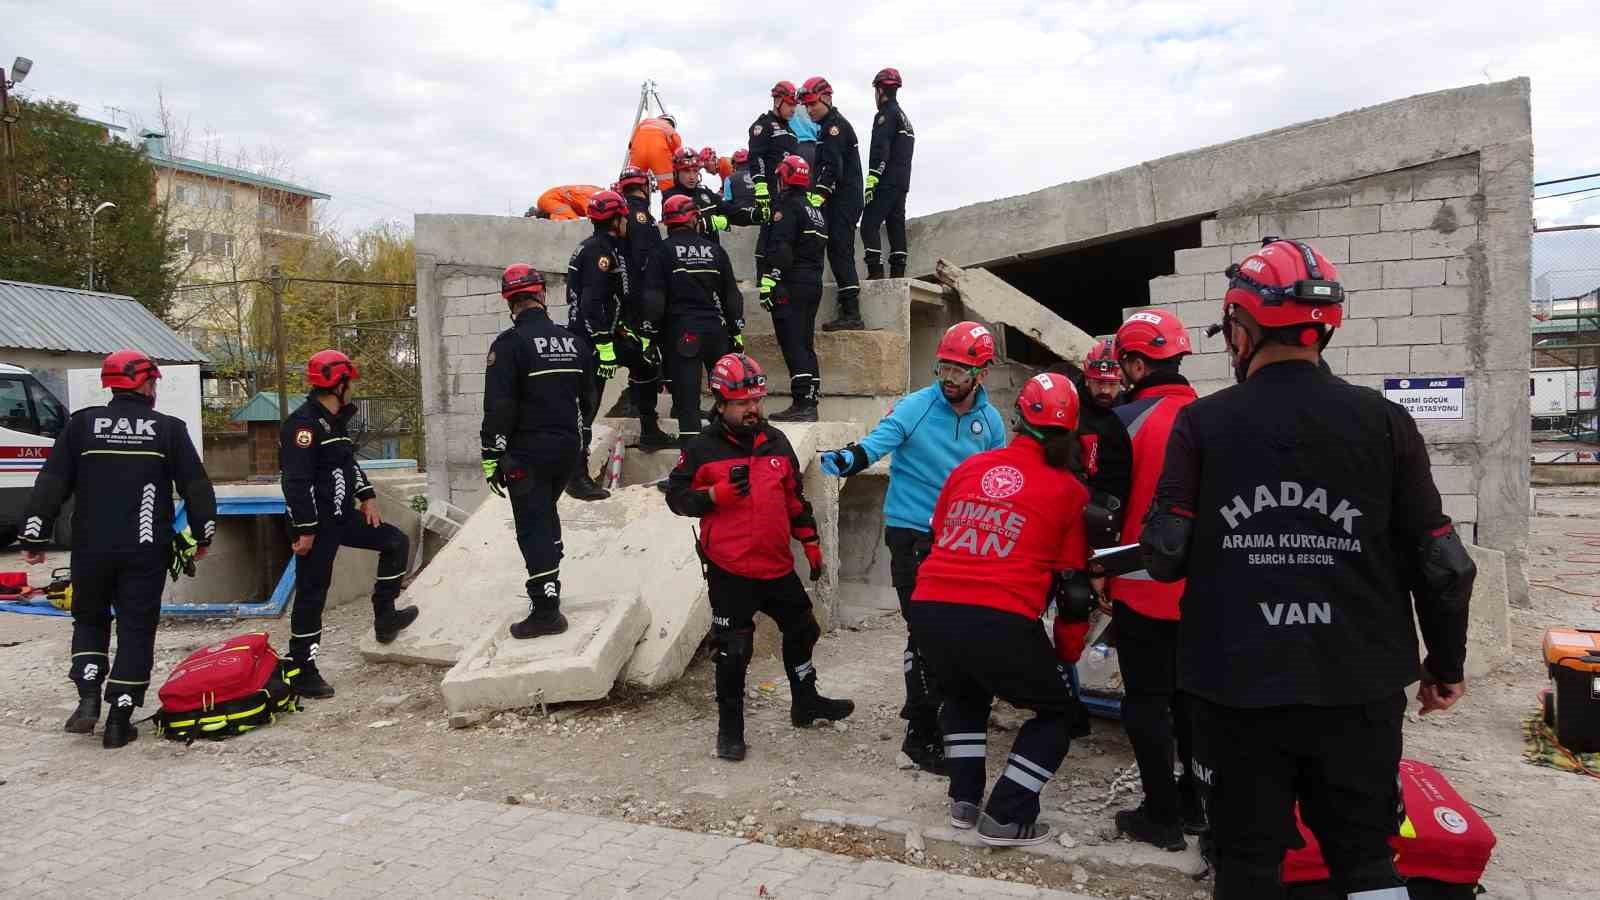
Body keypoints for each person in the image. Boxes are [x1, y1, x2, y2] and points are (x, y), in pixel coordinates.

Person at [1142, 238, 1475, 899]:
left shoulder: (1202, 425)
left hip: (1235, 687)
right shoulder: (1387, 423)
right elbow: (1443, 565)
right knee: (1367, 860)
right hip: (1358, 684)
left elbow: (1164, 556)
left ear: (1242, 327)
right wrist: (1445, 665)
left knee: (1245, 864)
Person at [909, 372, 1095, 847]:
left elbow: (939, 536)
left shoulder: (969, 469)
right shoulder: (1069, 490)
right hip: (1000, 616)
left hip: (930, 608)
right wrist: (1067, 653)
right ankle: (1007, 815)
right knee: (1059, 714)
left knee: (965, 695)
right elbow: (1073, 590)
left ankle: (964, 802)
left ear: (1016, 419)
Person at [817, 322, 1007, 773]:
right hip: (913, 537)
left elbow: (996, 477)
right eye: (944, 366)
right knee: (927, 635)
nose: (948, 378)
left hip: (962, 538)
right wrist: (845, 460)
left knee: (946, 634)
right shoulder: (917, 407)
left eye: (960, 371)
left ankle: (931, 705)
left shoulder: (991, 421)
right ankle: (921, 737)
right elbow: (876, 444)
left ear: (980, 374)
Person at [19, 350, 217, 748]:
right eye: (154, 382)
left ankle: (89, 699)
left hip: (91, 547)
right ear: (144, 384)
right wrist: (203, 535)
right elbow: (195, 488)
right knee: (136, 629)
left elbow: (52, 481)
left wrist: (34, 536)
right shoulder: (168, 429)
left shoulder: (82, 426)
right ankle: (118, 721)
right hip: (145, 549)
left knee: (90, 620)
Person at [665, 352, 855, 761]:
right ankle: (729, 732)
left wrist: (810, 541)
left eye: (757, 400)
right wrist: (714, 496)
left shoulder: (776, 441)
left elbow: (793, 498)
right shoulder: (701, 449)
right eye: (742, 402)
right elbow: (676, 499)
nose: (753, 409)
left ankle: (805, 703)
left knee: (803, 629)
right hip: (729, 569)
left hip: (775, 565)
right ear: (721, 404)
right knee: (734, 650)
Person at [1103, 308, 1203, 850]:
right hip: (1202, 590)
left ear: (1138, 364)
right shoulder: (1211, 416)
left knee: (1145, 700)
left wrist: (1096, 573)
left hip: (1142, 585)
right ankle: (1197, 801)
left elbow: (1107, 514)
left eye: (1125, 364)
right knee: (1191, 699)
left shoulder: (1123, 422)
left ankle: (1161, 815)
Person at [280, 350, 419, 699]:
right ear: (338, 385)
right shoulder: (304, 425)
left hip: (342, 517)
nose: (353, 389)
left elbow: (348, 464)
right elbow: (295, 482)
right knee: (313, 593)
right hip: (316, 524)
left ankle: (385, 617)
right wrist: (306, 529)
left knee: (395, 542)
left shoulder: (334, 422)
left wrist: (367, 496)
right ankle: (301, 669)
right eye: (350, 383)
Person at [482, 264, 588, 639]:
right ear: (541, 295)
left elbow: (499, 406)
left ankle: (546, 611)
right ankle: (551, 586)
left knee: (532, 525)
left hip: (528, 452)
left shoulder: (508, 345)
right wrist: (581, 441)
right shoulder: (572, 341)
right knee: (546, 516)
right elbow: (588, 397)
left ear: (510, 301)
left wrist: (490, 454)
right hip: (567, 449)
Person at [566, 189, 671, 495]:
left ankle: (650, 428)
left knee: (646, 363)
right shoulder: (599, 252)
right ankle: (576, 476)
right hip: (590, 342)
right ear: (614, 220)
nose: (627, 221)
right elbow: (590, 303)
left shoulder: (609, 247)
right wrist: (604, 346)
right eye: (623, 217)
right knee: (587, 406)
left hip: (610, 334)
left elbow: (612, 300)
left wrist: (625, 331)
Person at [645, 194, 745, 444]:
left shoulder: (662, 251)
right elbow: (732, 295)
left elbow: (654, 298)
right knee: (727, 394)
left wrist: (649, 336)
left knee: (687, 402)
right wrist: (736, 331)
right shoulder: (715, 250)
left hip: (683, 333)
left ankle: (690, 462)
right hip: (717, 332)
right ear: (694, 219)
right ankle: (728, 445)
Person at [761, 154, 829, 422]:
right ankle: (810, 398)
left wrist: (771, 280)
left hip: (792, 283)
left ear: (785, 178)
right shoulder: (816, 211)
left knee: (793, 342)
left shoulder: (788, 207)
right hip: (813, 283)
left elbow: (782, 247)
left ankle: (802, 402)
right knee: (805, 342)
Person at [801, 76, 866, 333]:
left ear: (827, 98)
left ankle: (851, 312)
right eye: (806, 105)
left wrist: (818, 196)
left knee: (840, 252)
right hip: (841, 199)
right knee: (837, 251)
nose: (809, 109)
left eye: (812, 104)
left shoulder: (834, 128)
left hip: (843, 200)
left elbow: (831, 167)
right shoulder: (828, 127)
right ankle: (847, 308)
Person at [861, 67, 915, 281]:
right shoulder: (905, 118)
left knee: (868, 226)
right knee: (895, 226)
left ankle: (875, 275)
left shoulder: (886, 115)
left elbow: (881, 148)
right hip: (902, 182)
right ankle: (898, 275)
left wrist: (873, 178)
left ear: (880, 91)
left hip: (886, 180)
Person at [748, 81, 801, 274]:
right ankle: (763, 275)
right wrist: (760, 184)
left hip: (789, 193)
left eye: (795, 105)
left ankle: (781, 272)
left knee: (786, 233)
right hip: (770, 189)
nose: (793, 109)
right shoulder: (763, 126)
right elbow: (756, 156)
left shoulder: (792, 132)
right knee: (768, 231)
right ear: (778, 101)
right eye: (790, 104)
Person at [663, 148, 737, 244]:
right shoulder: (670, 196)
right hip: (684, 253)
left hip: (711, 253)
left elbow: (732, 211)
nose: (692, 176)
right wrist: (710, 223)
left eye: (695, 171)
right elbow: (682, 225)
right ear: (676, 173)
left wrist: (754, 214)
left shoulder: (706, 193)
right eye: (686, 171)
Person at [628, 113, 684, 192]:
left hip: (638, 153)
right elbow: (679, 153)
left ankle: (634, 201)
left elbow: (631, 144)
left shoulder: (644, 122)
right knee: (667, 186)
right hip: (659, 155)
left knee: (634, 183)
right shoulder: (670, 129)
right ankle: (669, 201)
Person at [528, 185, 602, 221]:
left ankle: (538, 216)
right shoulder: (593, 197)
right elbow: (592, 218)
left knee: (571, 219)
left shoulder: (596, 192)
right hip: (549, 199)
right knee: (574, 221)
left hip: (549, 198)